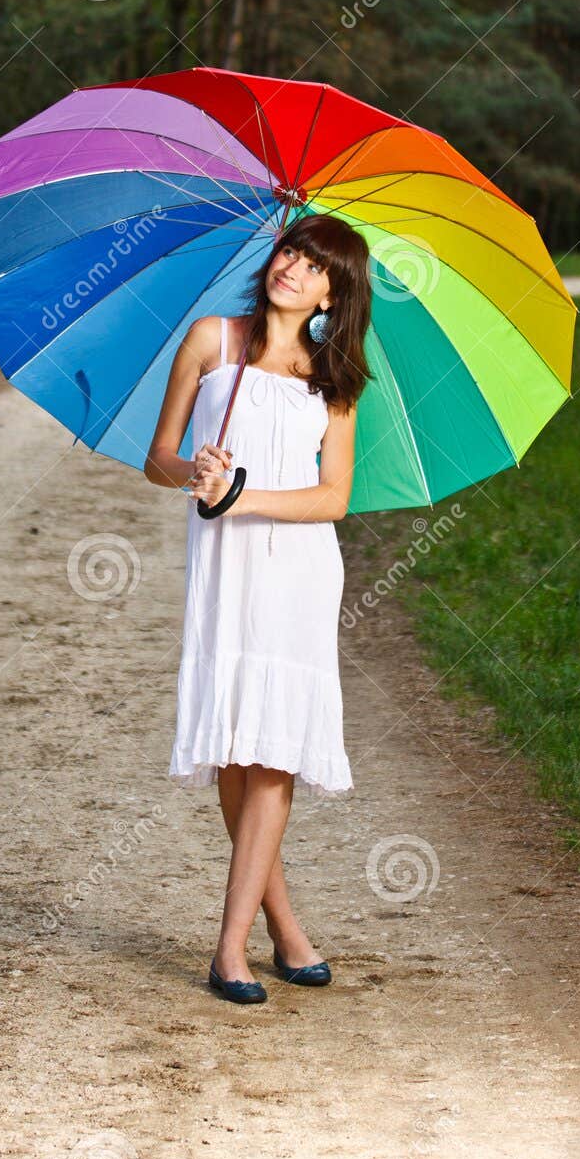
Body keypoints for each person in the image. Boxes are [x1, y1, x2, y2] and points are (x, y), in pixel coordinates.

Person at [143, 213, 373, 1003]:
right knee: (235, 749)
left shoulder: (333, 379)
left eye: (315, 267)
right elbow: (156, 458)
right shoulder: (212, 340)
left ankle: (227, 949)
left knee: (272, 752)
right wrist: (194, 472)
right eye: (290, 252)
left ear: (331, 296)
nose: (293, 269)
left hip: (297, 574)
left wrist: (241, 496)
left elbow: (332, 498)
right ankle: (285, 928)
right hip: (224, 569)